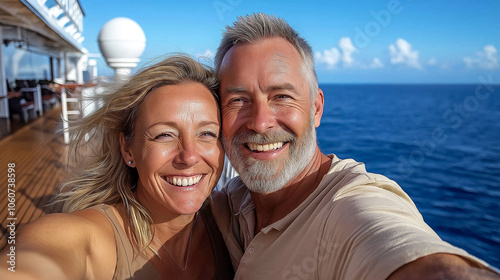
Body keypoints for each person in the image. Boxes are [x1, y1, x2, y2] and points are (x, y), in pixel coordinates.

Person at [211, 13, 500, 280]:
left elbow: (399, 247)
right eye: (238, 100)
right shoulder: (231, 203)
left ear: (316, 109)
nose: (260, 123)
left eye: (282, 97)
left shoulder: (347, 207)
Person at [0, 55, 234, 279]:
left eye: (207, 133)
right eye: (164, 135)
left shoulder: (234, 221)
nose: (189, 156)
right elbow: (40, 257)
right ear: (127, 149)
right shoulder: (90, 238)